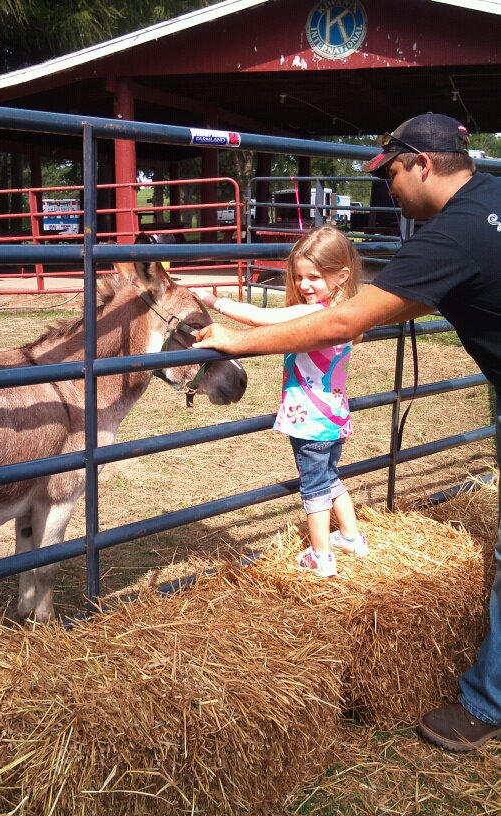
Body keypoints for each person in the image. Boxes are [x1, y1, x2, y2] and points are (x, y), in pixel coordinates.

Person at [194, 113, 501, 751]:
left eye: (388, 171)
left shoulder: (454, 233)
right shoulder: (494, 196)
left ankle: (488, 701)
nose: (383, 186)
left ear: (422, 163)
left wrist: (238, 340)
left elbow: (338, 324)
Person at [195, 226, 368, 578]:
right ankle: (351, 537)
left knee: (314, 486)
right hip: (335, 417)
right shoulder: (350, 313)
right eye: (299, 277)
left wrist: (215, 302)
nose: (304, 285)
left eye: (314, 277)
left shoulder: (314, 314)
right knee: (330, 477)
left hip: (310, 420)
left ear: (341, 276)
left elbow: (262, 318)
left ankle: (321, 556)